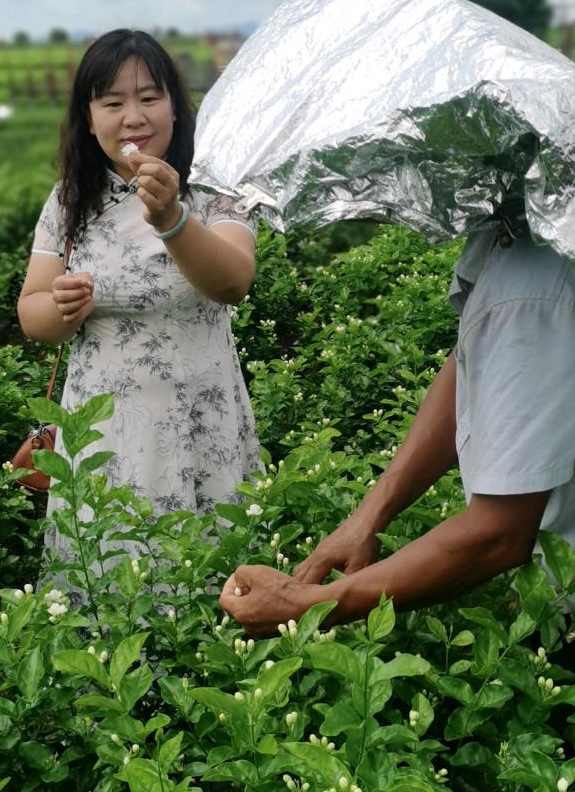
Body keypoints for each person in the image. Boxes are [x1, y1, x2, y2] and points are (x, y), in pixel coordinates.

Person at [220, 222, 575, 635]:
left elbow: (497, 535)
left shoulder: (536, 285)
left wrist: (308, 606)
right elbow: (475, 365)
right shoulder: (517, 234)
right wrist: (366, 520)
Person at [17, 29, 262, 561]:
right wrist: (60, 309)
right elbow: (32, 313)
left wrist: (172, 219)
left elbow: (233, 282)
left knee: (207, 579)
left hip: (201, 422)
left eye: (150, 98)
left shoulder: (214, 187)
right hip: (103, 434)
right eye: (113, 102)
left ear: (176, 107)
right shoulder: (70, 200)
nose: (134, 117)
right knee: (109, 577)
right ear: (89, 118)